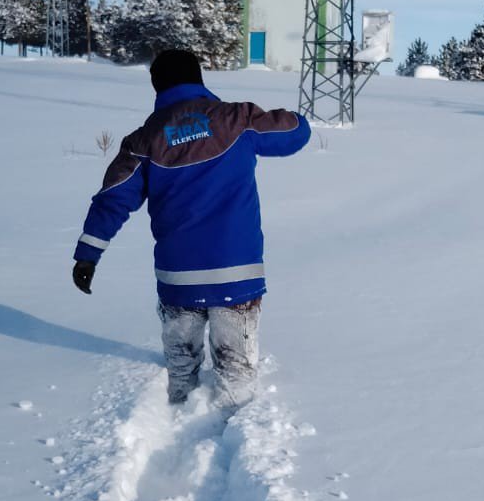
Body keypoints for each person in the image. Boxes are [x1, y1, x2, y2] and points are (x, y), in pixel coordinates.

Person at [72, 47, 310, 410]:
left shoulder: (143, 141)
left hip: (178, 278)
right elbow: (296, 132)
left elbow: (113, 200)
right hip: (236, 275)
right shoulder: (236, 118)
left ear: (156, 87)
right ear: (199, 77)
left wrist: (88, 256)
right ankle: (235, 430)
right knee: (236, 371)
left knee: (180, 370)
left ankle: (179, 414)